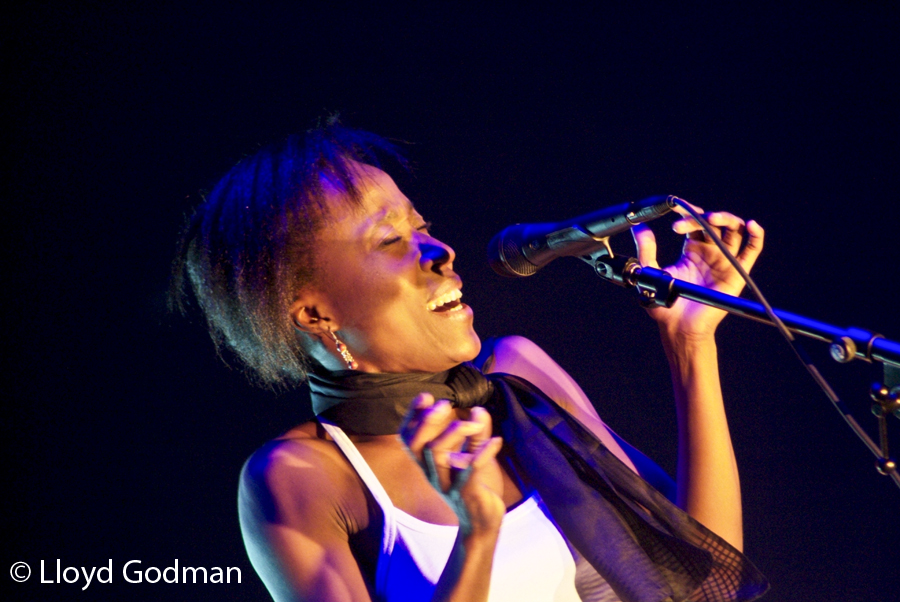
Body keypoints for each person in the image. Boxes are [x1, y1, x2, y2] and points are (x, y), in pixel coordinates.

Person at [173, 122, 768, 602]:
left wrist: (692, 345)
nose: (440, 251)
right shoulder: (301, 476)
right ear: (313, 314)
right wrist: (475, 538)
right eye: (389, 241)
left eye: (422, 226)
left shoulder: (516, 377)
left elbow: (708, 577)